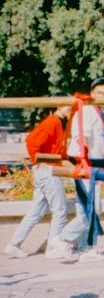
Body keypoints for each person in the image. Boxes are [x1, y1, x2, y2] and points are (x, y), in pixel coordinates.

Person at [47, 76, 104, 261]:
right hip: (85, 167)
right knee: (91, 210)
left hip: (93, 167)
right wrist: (85, 166)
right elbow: (83, 139)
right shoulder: (88, 111)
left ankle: (88, 248)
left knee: (86, 208)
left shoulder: (100, 114)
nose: (102, 97)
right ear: (91, 93)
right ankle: (63, 239)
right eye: (99, 93)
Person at [4, 97, 71, 259]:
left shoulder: (54, 122)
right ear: (60, 105)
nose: (71, 109)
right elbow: (32, 142)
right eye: (69, 106)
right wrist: (41, 159)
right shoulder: (53, 122)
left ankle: (14, 244)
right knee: (60, 210)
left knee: (36, 211)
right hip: (48, 170)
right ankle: (53, 248)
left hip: (43, 170)